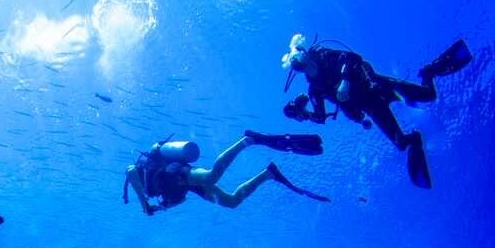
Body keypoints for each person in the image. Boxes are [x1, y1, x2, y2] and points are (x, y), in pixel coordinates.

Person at [280, 34, 472, 188]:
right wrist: (304, 115)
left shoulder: (325, 56)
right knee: (401, 143)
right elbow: (321, 118)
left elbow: (352, 57)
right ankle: (414, 140)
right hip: (370, 107)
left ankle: (428, 72)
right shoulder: (315, 89)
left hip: (376, 86)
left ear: (306, 56)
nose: (309, 68)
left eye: (305, 62)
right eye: (302, 68)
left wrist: (345, 80)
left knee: (428, 94)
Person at [123, 131, 329, 216]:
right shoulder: (155, 194)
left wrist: (144, 205)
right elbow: (180, 200)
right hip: (183, 186)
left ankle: (247, 140)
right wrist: (160, 207)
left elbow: (131, 172)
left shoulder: (139, 171)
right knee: (231, 202)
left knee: (212, 176)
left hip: (174, 172)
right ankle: (268, 174)